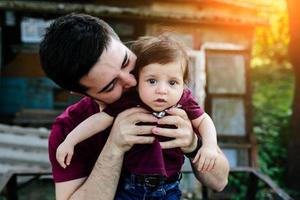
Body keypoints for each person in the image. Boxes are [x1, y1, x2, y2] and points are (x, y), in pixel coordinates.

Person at [39, 13, 229, 200]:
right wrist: (114, 147)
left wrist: (194, 145)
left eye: (126, 62)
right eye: (110, 85)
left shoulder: (170, 96)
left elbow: (220, 182)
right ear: (81, 93)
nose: (132, 80)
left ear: (121, 42)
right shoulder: (68, 128)